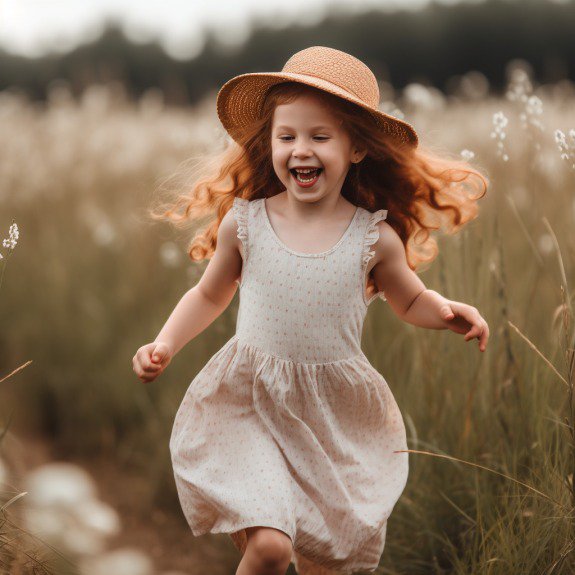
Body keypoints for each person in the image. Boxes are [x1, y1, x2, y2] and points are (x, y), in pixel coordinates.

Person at [132, 46, 490, 575]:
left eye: (320, 136)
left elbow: (408, 298)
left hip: (332, 415)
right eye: (288, 136)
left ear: (357, 149)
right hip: (249, 401)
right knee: (272, 548)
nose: (302, 149)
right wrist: (164, 343)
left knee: (327, 557)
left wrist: (444, 310)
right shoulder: (246, 223)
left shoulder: (374, 238)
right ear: (271, 144)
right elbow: (210, 294)